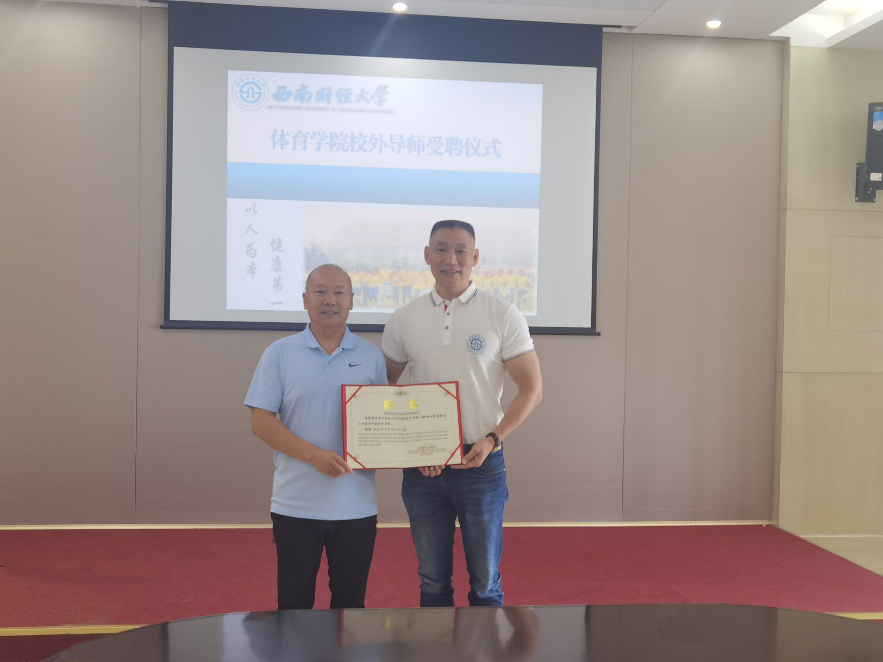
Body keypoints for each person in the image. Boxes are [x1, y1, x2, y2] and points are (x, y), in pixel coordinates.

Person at [382, 220, 543, 607]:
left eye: (460, 250)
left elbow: (532, 389)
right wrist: (411, 445)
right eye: (441, 249)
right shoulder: (404, 318)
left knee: (485, 583)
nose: (450, 259)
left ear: (475, 257)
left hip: (481, 463)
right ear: (427, 255)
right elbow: (383, 389)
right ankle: (436, 641)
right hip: (423, 468)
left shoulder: (501, 314)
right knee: (432, 580)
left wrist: (493, 439)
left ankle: (482, 641)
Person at [245, 264, 387, 610]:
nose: (330, 300)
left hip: (356, 507)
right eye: (320, 291)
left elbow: (386, 427)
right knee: (293, 609)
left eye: (339, 292)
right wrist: (314, 456)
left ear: (352, 301)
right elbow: (261, 421)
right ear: (305, 299)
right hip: (295, 505)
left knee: (350, 610)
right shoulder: (279, 354)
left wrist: (421, 453)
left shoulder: (371, 356)